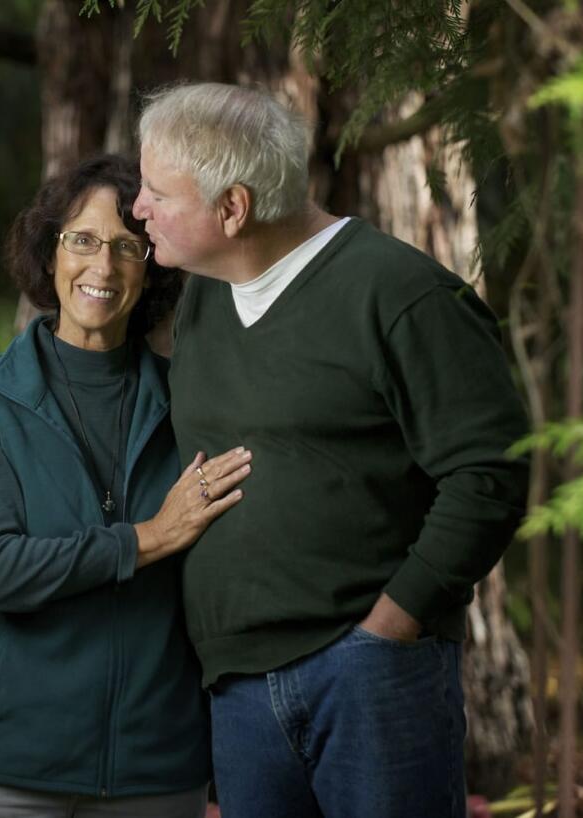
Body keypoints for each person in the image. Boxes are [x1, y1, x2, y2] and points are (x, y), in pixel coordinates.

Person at [131, 83, 531, 818]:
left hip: (370, 677)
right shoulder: (204, 301)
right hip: (239, 688)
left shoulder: (400, 293)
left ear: (233, 208)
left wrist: (390, 627)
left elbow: (490, 471)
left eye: (157, 191)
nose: (138, 208)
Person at [0, 154, 252, 818]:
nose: (102, 267)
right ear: (51, 254)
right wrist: (149, 539)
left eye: (128, 247)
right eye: (83, 240)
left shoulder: (190, 403)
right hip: (0, 767)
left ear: (152, 267)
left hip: (154, 770)